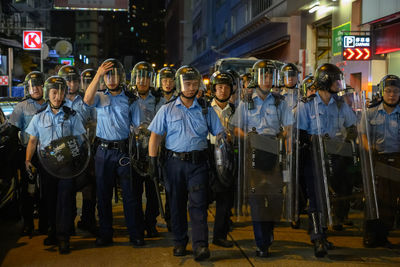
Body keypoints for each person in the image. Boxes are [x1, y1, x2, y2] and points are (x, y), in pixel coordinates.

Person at [148, 65, 224, 261]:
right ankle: (180, 242)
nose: (191, 87)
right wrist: (152, 161)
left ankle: (200, 246)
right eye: (187, 83)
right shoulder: (167, 109)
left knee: (198, 205)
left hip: (198, 164)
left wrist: (227, 142)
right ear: (179, 85)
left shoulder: (206, 110)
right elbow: (155, 136)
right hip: (174, 164)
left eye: (194, 83)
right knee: (176, 204)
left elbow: (220, 133)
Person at [232, 59, 293, 257]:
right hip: (254, 154)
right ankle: (261, 243)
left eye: (270, 76)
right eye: (263, 76)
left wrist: (279, 140)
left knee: (276, 197)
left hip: (275, 153)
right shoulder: (246, 101)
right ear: (256, 78)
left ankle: (270, 230)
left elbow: (289, 128)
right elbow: (236, 128)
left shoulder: (280, 101)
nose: (267, 80)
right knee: (257, 198)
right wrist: (249, 138)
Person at [297, 63, 357, 257]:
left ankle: (322, 232)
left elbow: (353, 125)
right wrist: (314, 139)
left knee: (328, 198)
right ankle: (318, 238)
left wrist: (349, 140)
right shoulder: (307, 104)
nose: (340, 83)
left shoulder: (340, 104)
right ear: (325, 81)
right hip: (313, 157)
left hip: (336, 156)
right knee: (316, 198)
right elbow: (299, 132)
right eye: (336, 79)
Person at [83, 58, 143, 247]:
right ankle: (106, 234)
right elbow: (86, 100)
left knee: (130, 196)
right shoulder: (100, 96)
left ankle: (135, 234)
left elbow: (138, 127)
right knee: (103, 196)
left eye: (114, 75)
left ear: (121, 77)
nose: (111, 79)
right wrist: (98, 74)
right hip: (103, 152)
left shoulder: (131, 99)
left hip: (124, 152)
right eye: (108, 76)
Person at [25, 76, 86, 254]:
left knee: (65, 201)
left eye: (61, 93)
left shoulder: (72, 116)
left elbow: (81, 140)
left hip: (67, 166)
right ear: (48, 94)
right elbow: (32, 141)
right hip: (46, 166)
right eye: (54, 93)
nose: (57, 97)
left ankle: (63, 237)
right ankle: (52, 231)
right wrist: (28, 160)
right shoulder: (38, 117)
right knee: (49, 201)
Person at [58, 65, 98, 234]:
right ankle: (67, 224)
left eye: (75, 80)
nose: (72, 84)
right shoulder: (56, 100)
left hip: (85, 150)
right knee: (67, 190)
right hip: (64, 153)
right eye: (68, 80)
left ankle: (88, 220)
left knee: (89, 187)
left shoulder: (86, 99)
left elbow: (96, 122)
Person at [362, 74, 400, 248]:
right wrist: (369, 148)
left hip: (397, 160)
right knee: (375, 198)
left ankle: (383, 235)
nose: (392, 95)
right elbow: (362, 135)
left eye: (396, 91)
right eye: (388, 91)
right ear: (382, 92)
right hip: (378, 160)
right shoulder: (370, 112)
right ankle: (370, 234)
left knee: (391, 199)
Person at [9, 71, 47, 236]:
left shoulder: (51, 102)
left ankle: (46, 224)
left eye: (38, 84)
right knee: (28, 190)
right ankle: (28, 223)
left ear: (44, 86)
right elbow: (12, 131)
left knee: (46, 190)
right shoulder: (21, 106)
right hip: (28, 154)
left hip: (48, 154)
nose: (35, 88)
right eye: (32, 86)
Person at [130, 61, 160, 238]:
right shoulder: (128, 99)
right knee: (134, 192)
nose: (142, 81)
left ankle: (151, 223)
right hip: (133, 151)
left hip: (151, 151)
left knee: (153, 191)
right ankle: (138, 224)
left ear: (151, 80)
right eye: (139, 78)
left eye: (146, 78)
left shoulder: (157, 100)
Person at [209, 71, 236, 248]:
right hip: (209, 154)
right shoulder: (205, 108)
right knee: (203, 196)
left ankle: (220, 235)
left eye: (226, 87)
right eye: (219, 87)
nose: (223, 90)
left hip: (228, 155)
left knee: (226, 197)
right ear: (214, 89)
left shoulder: (236, 110)